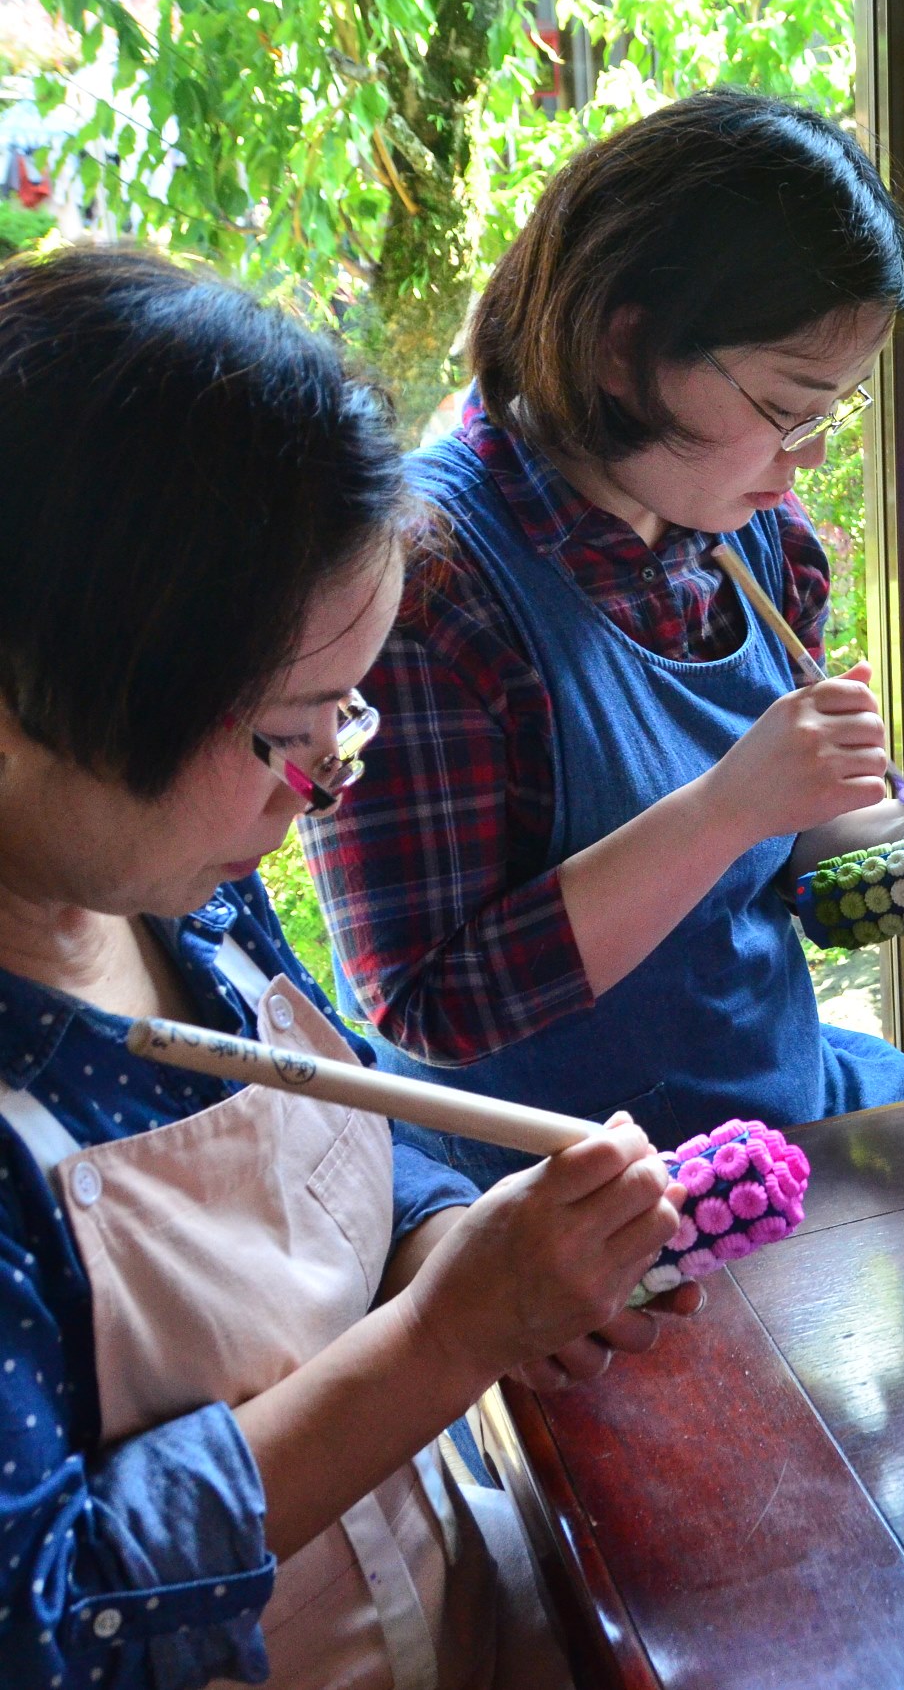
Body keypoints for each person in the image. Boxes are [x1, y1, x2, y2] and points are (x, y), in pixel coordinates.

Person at [0, 246, 696, 1689]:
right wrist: (448, 1335)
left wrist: (452, 1243)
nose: (319, 786)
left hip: (462, 1610)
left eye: (346, 720)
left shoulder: (191, 907)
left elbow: (352, 1133)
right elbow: (48, 1612)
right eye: (289, 729)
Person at [304, 91, 904, 1185]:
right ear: (624, 346)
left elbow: (779, 858)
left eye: (832, 412)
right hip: (568, 1200)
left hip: (783, 1112)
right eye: (789, 408)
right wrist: (728, 804)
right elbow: (431, 1005)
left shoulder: (751, 536)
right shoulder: (424, 585)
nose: (810, 456)